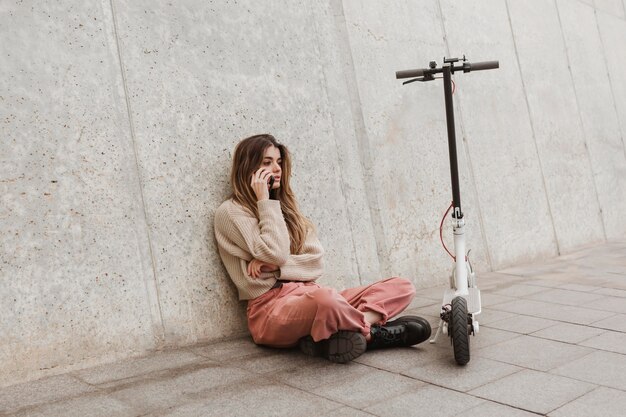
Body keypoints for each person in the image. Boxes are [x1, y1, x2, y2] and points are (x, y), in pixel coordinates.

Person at [214, 134, 431, 363]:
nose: (276, 169)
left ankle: (347, 332)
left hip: (310, 293)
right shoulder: (230, 212)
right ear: (248, 167)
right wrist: (264, 202)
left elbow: (315, 262)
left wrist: (277, 270)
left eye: (279, 162)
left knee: (402, 286)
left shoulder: (289, 211)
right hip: (270, 309)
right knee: (326, 300)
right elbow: (275, 253)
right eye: (267, 163)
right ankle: (373, 333)